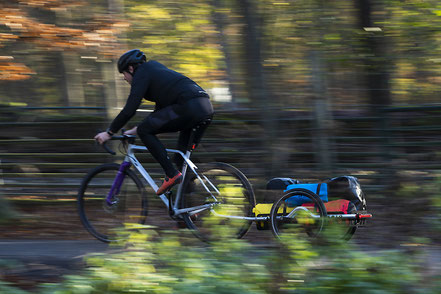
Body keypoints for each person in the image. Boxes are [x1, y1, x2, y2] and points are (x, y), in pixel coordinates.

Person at [94, 49, 214, 195]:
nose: (124, 79)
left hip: (188, 106)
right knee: (181, 159)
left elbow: (130, 109)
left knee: (146, 131)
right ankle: (188, 209)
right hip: (205, 107)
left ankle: (171, 174)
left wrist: (109, 132)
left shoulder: (141, 73)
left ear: (131, 69)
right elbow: (160, 114)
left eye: (123, 74)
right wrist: (136, 129)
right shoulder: (156, 70)